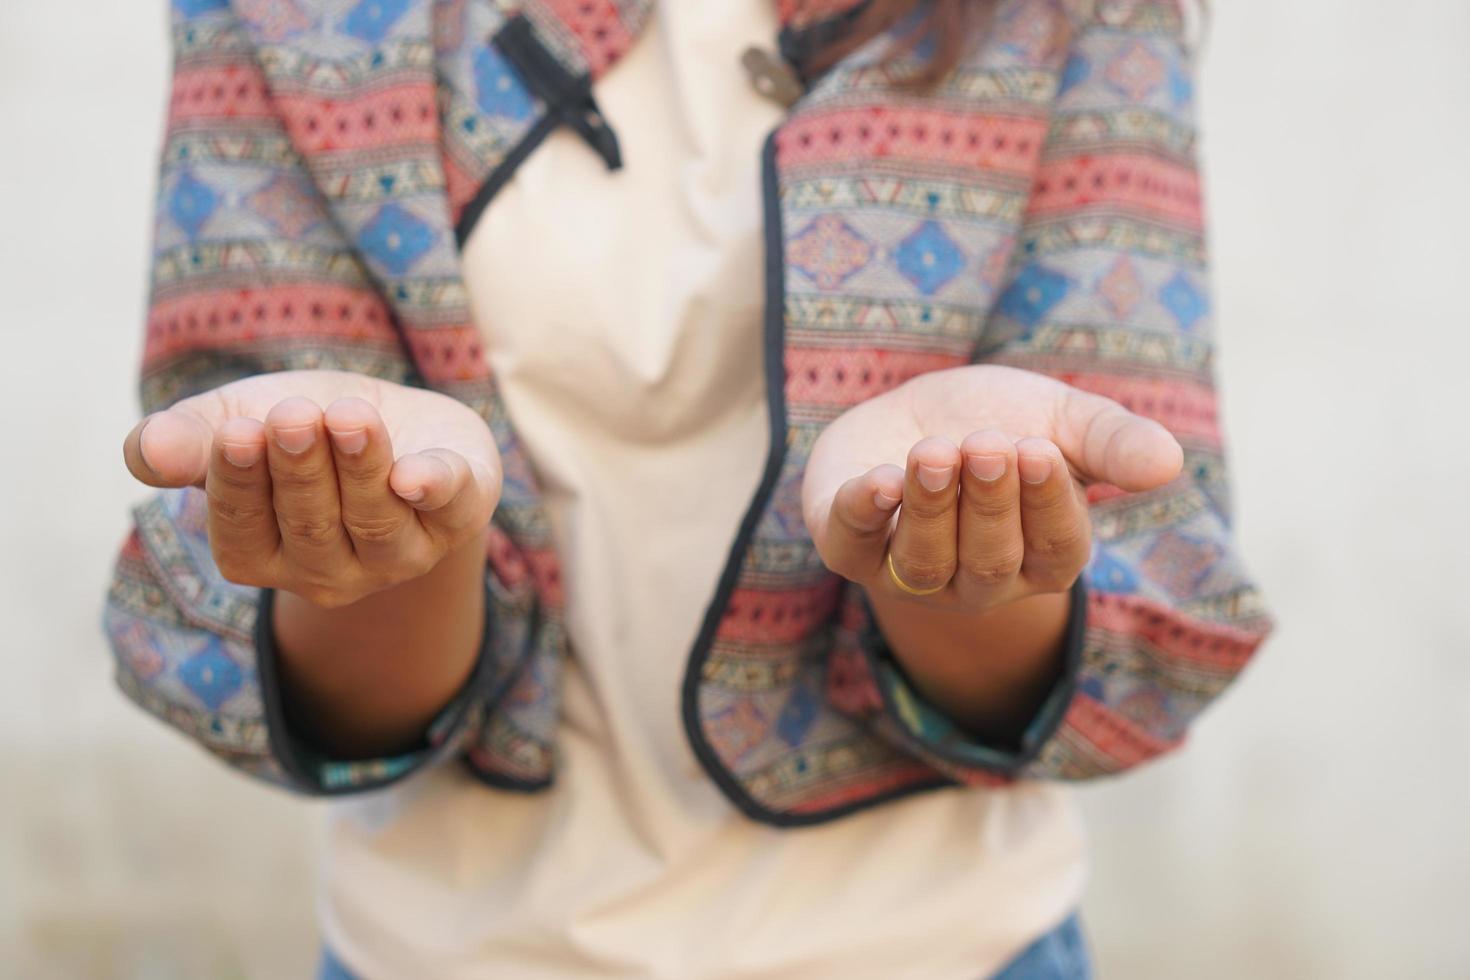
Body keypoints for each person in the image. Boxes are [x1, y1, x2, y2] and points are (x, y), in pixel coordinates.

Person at [104, 0, 1272, 976]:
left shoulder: (1072, 14)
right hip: (448, 946)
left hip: (944, 942)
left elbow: (1125, 588)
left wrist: (956, 553)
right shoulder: (282, 18)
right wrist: (385, 528)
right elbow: (336, 664)